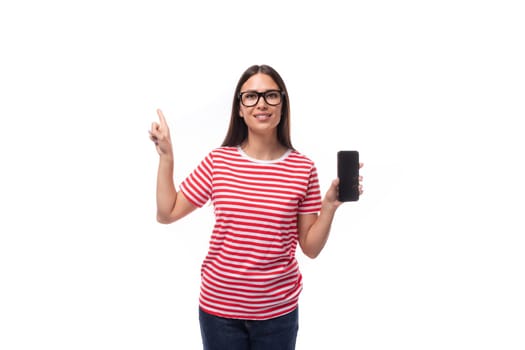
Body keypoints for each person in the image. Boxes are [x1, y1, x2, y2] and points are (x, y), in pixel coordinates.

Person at [149, 64, 363, 350]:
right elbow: (167, 213)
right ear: (239, 108)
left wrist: (329, 206)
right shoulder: (219, 162)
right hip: (219, 312)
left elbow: (310, 248)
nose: (261, 104)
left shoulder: (303, 168)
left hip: (277, 314)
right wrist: (167, 157)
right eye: (250, 96)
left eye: (271, 95)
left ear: (282, 104)